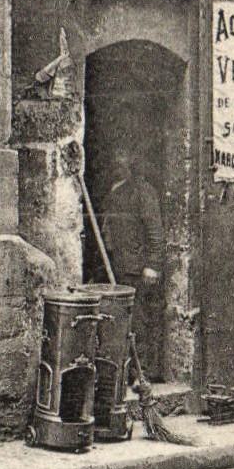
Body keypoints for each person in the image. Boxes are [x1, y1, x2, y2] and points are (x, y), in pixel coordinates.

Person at [99, 145, 165, 381]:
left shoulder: (142, 191)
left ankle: (142, 372)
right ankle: (125, 371)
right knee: (121, 321)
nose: (118, 161)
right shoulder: (111, 191)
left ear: (131, 161)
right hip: (117, 265)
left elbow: (155, 231)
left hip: (137, 268)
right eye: (115, 157)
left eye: (123, 155)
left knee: (139, 320)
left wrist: (153, 264)